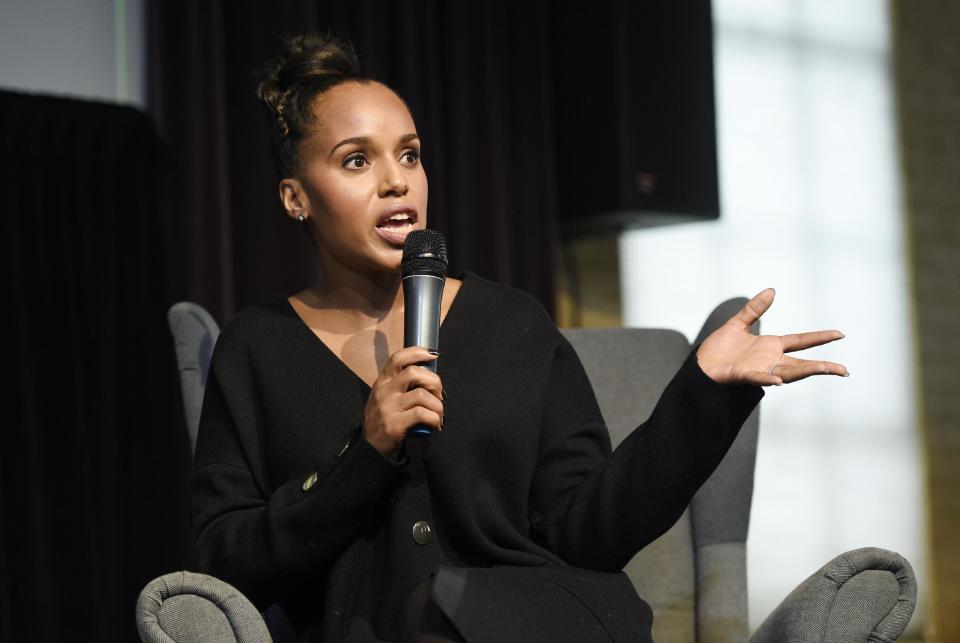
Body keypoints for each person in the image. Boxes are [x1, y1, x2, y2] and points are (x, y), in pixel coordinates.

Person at [190, 33, 849, 643]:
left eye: (410, 154)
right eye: (356, 160)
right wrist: (364, 450)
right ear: (294, 196)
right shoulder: (255, 350)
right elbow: (227, 560)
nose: (396, 181)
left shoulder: (512, 323)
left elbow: (590, 529)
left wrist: (702, 395)